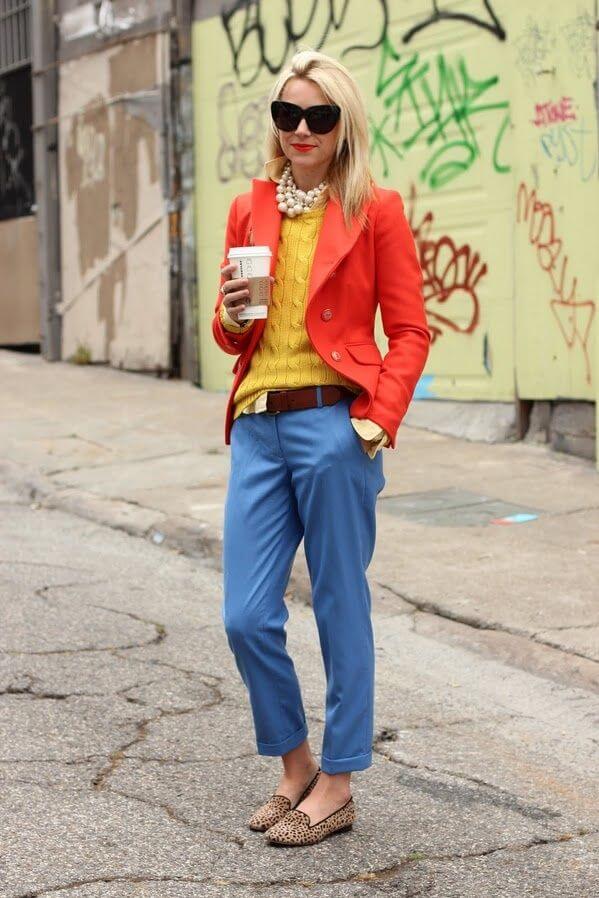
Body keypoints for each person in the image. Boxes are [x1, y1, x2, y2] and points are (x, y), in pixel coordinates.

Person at [212, 48, 430, 847]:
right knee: (244, 615)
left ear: (343, 124)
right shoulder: (248, 208)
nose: (301, 130)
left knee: (340, 603)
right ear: (275, 123)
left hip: (336, 424)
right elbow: (229, 326)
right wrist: (233, 317)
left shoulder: (375, 208)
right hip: (260, 424)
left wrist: (375, 421)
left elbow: (408, 331)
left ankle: (337, 782)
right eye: (287, 115)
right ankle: (295, 763)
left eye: (319, 116)